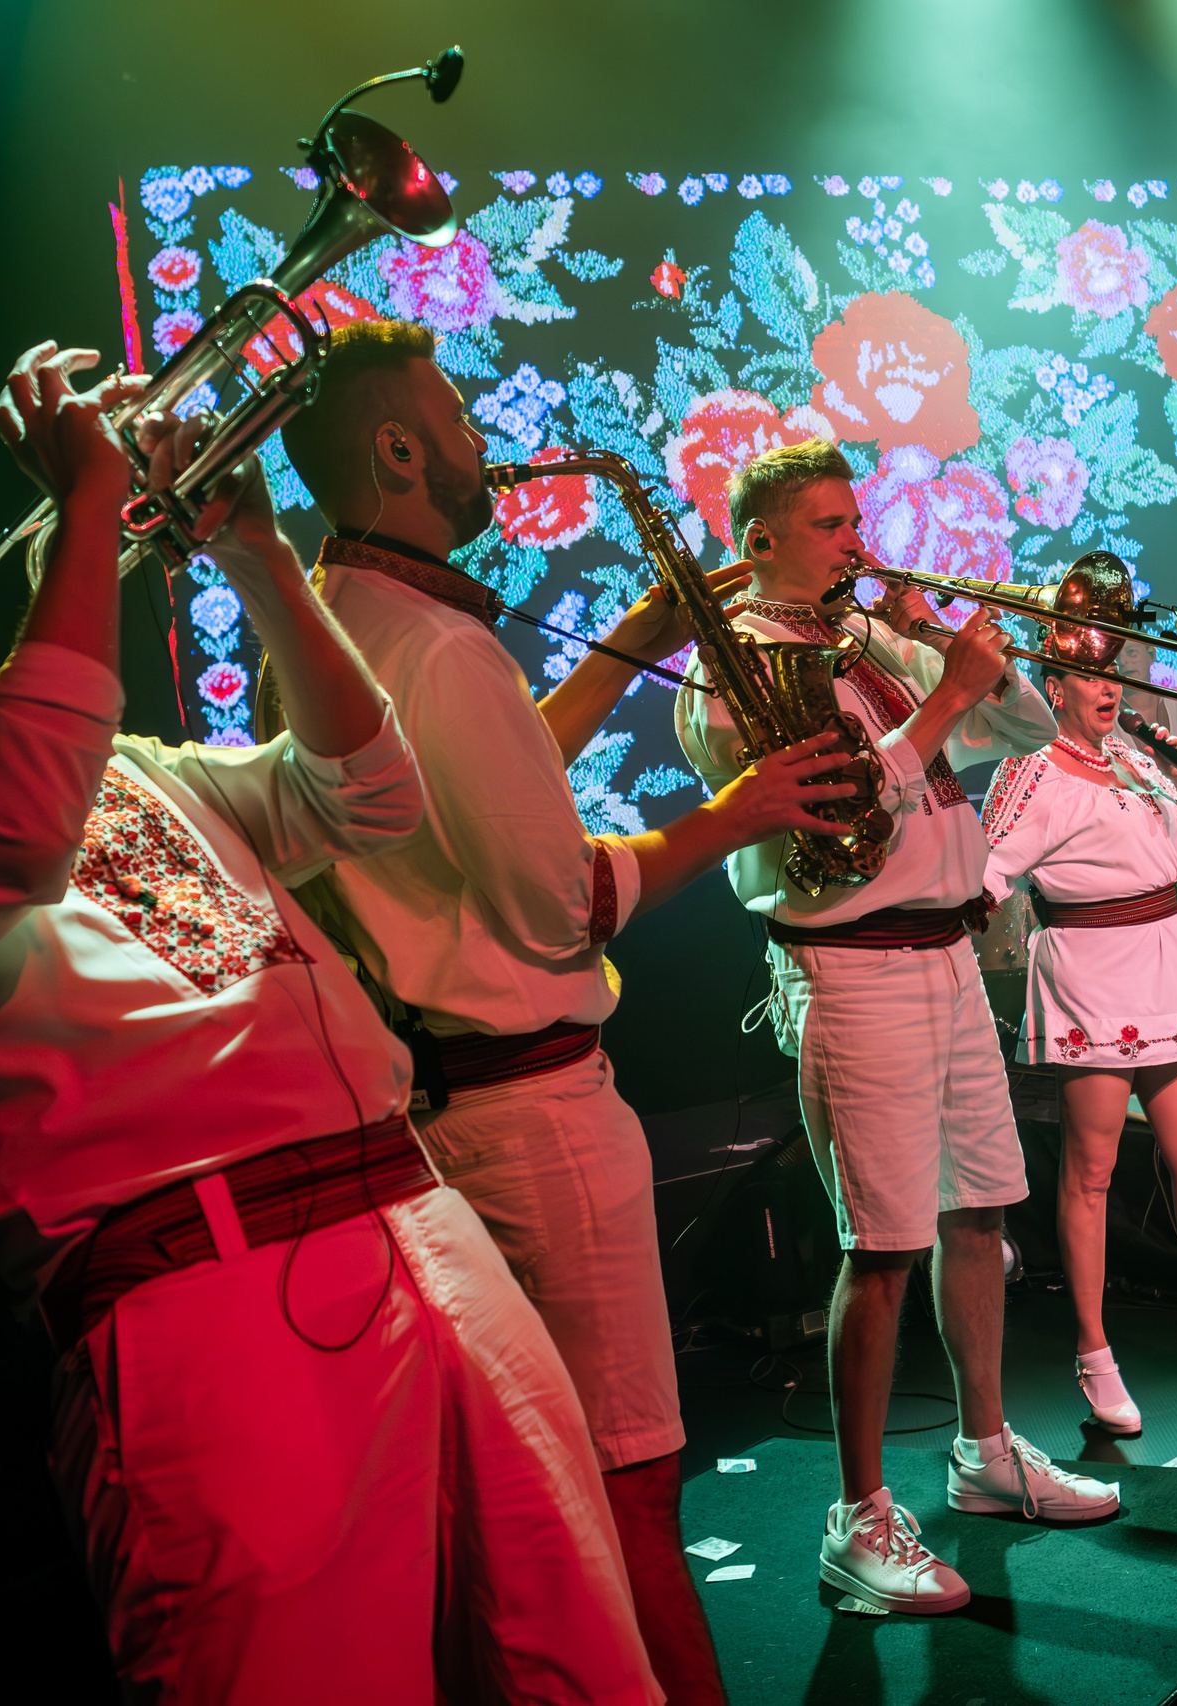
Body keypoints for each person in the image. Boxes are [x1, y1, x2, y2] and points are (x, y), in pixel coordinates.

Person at [0, 344, 659, 1703]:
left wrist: (263, 557)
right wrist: (88, 513)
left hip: (422, 1226)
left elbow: (368, 793)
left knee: (572, 1661)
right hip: (195, 1300)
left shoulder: (130, 767)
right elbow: (1, 836)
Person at [273, 319, 856, 1701]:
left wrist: (619, 647)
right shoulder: (437, 641)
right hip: (536, 1112)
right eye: (459, 419)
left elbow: (488, 772)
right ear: (399, 450)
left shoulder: (351, 614)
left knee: (548, 1490)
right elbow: (553, 904)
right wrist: (735, 816)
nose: (486, 440)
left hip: (456, 1112)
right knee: (632, 1480)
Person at [675, 438, 1120, 1617]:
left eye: (852, 518)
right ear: (758, 539)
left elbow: (1027, 730)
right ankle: (858, 1517)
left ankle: (984, 1452)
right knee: (882, 1246)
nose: (853, 542)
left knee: (978, 1208)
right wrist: (945, 694)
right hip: (853, 967)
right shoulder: (733, 664)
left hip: (948, 956)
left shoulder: (862, 638)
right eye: (827, 525)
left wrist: (929, 632)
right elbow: (837, 809)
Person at [978, 637, 1177, 1432]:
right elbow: (984, 869)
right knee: (1092, 1170)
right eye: (1085, 676)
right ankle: (1094, 1355)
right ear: (1053, 687)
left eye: (1109, 674)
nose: (1104, 689)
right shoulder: (1030, 767)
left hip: (1164, 957)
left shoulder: (1139, 753)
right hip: (1090, 968)